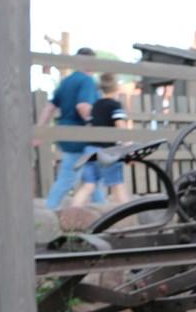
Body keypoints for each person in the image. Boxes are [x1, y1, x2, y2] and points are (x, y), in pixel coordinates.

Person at [36, 48, 106, 209]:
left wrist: (39, 131)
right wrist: (95, 125)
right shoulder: (87, 81)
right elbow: (83, 106)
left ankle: (103, 209)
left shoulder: (66, 81)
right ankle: (49, 210)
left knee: (93, 178)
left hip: (66, 135)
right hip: (82, 137)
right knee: (69, 178)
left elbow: (49, 108)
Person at [70, 73, 130, 207]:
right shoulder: (115, 105)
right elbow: (120, 125)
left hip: (90, 150)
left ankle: (72, 212)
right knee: (117, 185)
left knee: (88, 185)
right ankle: (130, 215)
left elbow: (90, 125)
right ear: (116, 87)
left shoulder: (95, 105)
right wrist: (128, 144)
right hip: (107, 151)